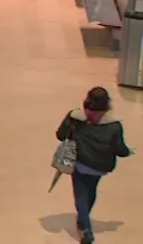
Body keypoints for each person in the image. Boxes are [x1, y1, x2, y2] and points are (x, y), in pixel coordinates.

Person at [56, 87, 133, 243]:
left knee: (81, 194)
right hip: (100, 167)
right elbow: (120, 149)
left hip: (80, 163)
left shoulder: (75, 117)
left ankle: (85, 228)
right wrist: (128, 151)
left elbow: (60, 135)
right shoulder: (114, 125)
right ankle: (83, 219)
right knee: (91, 191)